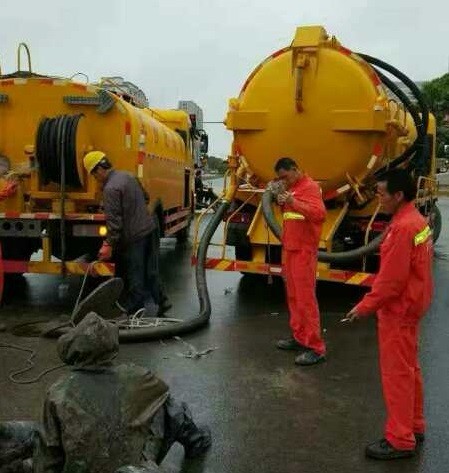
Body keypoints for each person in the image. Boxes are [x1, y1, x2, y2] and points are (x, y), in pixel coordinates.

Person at [0, 313, 212, 473]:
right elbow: (162, 396)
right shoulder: (138, 377)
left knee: (40, 434)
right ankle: (197, 440)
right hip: (132, 466)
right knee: (168, 406)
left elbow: (50, 456)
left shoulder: (58, 392)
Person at [344, 169, 433, 460]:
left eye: (381, 194)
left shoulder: (402, 229)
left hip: (399, 310)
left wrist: (363, 308)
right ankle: (414, 426)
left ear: (398, 195)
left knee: (396, 375)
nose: (378, 199)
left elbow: (390, 282)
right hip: (413, 305)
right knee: (410, 371)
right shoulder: (417, 220)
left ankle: (399, 439)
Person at [83, 151, 170, 317]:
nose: (96, 179)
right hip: (150, 229)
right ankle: (163, 301)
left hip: (135, 236)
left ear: (99, 169)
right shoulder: (128, 176)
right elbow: (145, 197)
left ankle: (133, 309)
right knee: (151, 270)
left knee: (135, 274)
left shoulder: (110, 189)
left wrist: (108, 244)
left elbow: (114, 223)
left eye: (94, 175)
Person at [274, 157, 327, 366]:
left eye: (285, 177)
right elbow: (291, 217)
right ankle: (299, 337)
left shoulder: (310, 187)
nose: (283, 181)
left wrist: (292, 202)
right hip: (290, 249)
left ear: (295, 170)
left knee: (305, 299)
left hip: (304, 252)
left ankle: (316, 347)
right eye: (280, 179)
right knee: (294, 297)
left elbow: (319, 214)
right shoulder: (294, 189)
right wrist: (283, 203)